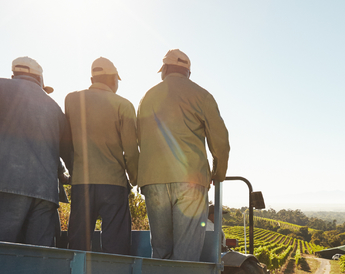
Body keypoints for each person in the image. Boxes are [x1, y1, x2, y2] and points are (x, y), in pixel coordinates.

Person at [0, 56, 72, 246]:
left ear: (14, 74)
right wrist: (65, 174)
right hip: (45, 194)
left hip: (5, 183)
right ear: (40, 78)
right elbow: (61, 149)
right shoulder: (54, 107)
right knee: (39, 261)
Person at [136, 49, 230, 261]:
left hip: (153, 181)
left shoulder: (148, 97)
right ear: (188, 72)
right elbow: (221, 141)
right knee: (186, 254)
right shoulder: (202, 95)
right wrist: (219, 173)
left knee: (160, 251)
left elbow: (140, 138)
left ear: (165, 69)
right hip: (191, 180)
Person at [64, 57, 138, 255]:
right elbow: (131, 150)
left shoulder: (71, 99)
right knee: (116, 245)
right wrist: (135, 177)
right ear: (114, 79)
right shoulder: (124, 105)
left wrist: (74, 170)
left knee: (78, 243)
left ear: (92, 78)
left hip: (81, 181)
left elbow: (66, 141)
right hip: (114, 183)